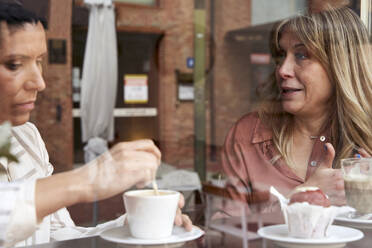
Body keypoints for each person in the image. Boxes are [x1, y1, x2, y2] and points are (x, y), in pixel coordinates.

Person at [0, 2, 192, 247]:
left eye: (39, 61)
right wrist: (86, 180)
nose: (39, 82)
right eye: (14, 65)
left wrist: (133, 225)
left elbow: (57, 235)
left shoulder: (27, 137)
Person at [222, 6, 372, 209]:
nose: (283, 70)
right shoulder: (248, 134)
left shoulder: (367, 137)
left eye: (302, 56)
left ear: (339, 65)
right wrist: (300, 198)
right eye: (281, 56)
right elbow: (224, 233)